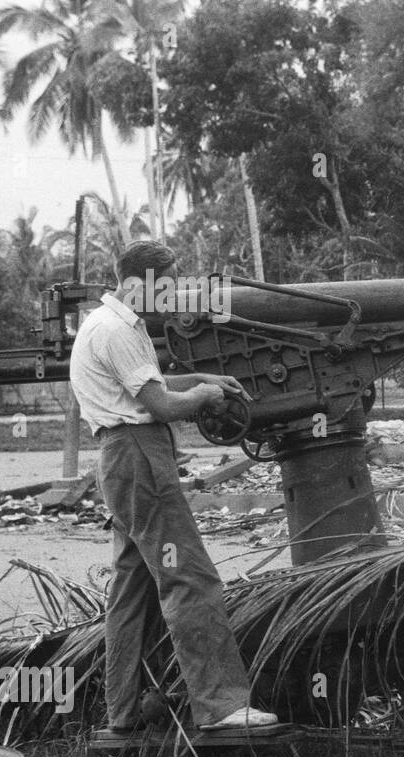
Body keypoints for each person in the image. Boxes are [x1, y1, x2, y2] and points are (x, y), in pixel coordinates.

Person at [69, 240, 278, 731]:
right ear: (136, 282)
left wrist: (204, 377)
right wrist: (204, 394)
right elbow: (162, 406)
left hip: (123, 462)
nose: (170, 296)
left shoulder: (110, 324)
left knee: (131, 590)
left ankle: (121, 712)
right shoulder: (116, 330)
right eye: (164, 287)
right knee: (189, 576)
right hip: (140, 458)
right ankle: (221, 705)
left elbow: (152, 385)